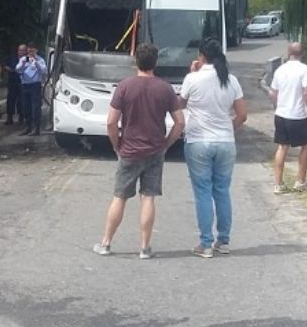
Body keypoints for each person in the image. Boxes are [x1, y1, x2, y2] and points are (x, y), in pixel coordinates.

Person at [93, 43, 184, 259]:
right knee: (148, 197)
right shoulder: (165, 88)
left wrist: (117, 145)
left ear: (135, 61)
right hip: (155, 150)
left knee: (120, 196)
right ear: (156, 62)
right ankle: (144, 247)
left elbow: (111, 123)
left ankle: (106, 243)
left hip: (130, 150)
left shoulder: (124, 87)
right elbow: (180, 122)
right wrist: (166, 144)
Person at [179, 39, 247, 258]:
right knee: (222, 191)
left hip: (198, 140)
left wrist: (192, 72)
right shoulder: (231, 80)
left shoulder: (192, 79)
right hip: (225, 141)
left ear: (201, 56)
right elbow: (242, 115)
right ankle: (223, 241)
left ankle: (205, 243)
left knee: (202, 192)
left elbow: (179, 105)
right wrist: (228, 127)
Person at [269, 42, 307, 194]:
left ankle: (278, 183)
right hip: (297, 115)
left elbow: (273, 93)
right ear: (302, 54)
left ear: (288, 53)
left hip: (281, 114)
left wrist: (278, 107)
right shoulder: (304, 69)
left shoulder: (280, 70)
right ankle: (300, 180)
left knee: (282, 147)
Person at [16, 43, 46, 136]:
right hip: (25, 85)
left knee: (35, 107)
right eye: (28, 50)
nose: (30, 52)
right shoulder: (23, 59)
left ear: (36, 50)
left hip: (35, 85)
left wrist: (36, 62)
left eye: (32, 50)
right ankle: (28, 127)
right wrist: (24, 63)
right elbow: (17, 69)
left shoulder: (40, 59)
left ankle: (36, 128)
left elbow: (44, 71)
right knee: (25, 107)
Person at [4, 44, 27, 125]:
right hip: (12, 81)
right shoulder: (12, 58)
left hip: (22, 82)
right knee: (11, 99)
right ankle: (9, 117)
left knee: (21, 100)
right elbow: (5, 65)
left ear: (25, 51)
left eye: (22, 50)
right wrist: (9, 69)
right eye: (19, 50)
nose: (20, 52)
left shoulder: (27, 59)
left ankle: (21, 117)